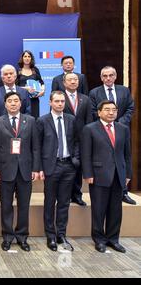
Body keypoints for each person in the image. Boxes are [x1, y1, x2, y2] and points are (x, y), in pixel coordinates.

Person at [0, 91, 40, 252]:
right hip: (5, 170)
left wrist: (35, 168)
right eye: (10, 101)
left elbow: (35, 147)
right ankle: (7, 237)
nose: (13, 103)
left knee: (24, 205)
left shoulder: (31, 121)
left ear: (21, 104)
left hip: (25, 170)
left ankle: (22, 237)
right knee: (6, 205)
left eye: (16, 101)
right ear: (5, 104)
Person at [81, 100, 132, 253]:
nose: (111, 113)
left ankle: (113, 239)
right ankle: (99, 239)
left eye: (114, 110)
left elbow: (127, 154)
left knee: (116, 210)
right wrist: (88, 173)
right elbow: (86, 154)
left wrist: (128, 173)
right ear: (99, 112)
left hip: (118, 175)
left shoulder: (123, 129)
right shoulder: (90, 129)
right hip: (98, 175)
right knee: (99, 209)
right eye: (107, 110)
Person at [37, 91, 79, 252]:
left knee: (64, 202)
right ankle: (51, 236)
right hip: (51, 166)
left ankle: (61, 234)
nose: (60, 104)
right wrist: (39, 167)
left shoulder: (71, 119)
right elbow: (38, 146)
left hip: (68, 166)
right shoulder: (42, 121)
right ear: (50, 102)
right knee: (50, 202)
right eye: (57, 101)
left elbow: (76, 141)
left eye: (62, 101)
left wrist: (75, 160)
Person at [89, 66, 135, 205]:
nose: (108, 78)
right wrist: (105, 125)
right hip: (103, 133)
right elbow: (93, 112)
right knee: (107, 161)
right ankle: (108, 192)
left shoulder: (124, 90)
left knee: (122, 158)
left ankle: (123, 192)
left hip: (121, 132)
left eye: (111, 75)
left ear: (115, 76)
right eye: (105, 76)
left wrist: (120, 123)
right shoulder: (94, 92)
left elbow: (130, 108)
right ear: (101, 77)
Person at [62, 72, 93, 206]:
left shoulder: (85, 99)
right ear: (64, 83)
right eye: (70, 80)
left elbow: (89, 120)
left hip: (81, 139)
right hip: (64, 137)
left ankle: (77, 195)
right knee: (66, 166)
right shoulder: (59, 98)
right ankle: (65, 195)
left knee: (78, 167)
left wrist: (87, 137)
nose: (73, 82)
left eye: (75, 79)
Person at [16, 50, 45, 119]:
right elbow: (15, 87)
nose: (27, 58)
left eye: (29, 56)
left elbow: (41, 82)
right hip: (22, 99)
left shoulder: (35, 70)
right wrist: (26, 89)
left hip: (34, 99)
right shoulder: (18, 71)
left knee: (35, 118)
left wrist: (42, 91)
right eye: (25, 56)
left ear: (31, 59)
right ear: (22, 58)